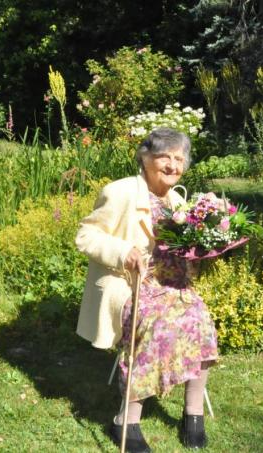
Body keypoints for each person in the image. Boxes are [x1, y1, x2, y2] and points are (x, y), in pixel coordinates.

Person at [75, 128, 215, 452]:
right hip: (129, 283)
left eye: (179, 158)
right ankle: (126, 420)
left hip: (172, 286)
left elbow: (182, 248)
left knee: (201, 319)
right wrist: (124, 252)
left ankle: (192, 414)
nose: (172, 165)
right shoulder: (121, 192)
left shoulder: (177, 199)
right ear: (145, 158)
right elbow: (86, 236)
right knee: (156, 324)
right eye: (164, 156)